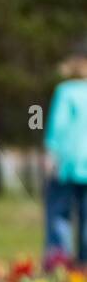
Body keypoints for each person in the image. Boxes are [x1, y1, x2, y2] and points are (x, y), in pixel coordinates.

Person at [44, 50, 87, 266]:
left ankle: (59, 262)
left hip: (67, 164)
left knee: (60, 214)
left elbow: (57, 127)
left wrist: (50, 154)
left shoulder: (65, 91)